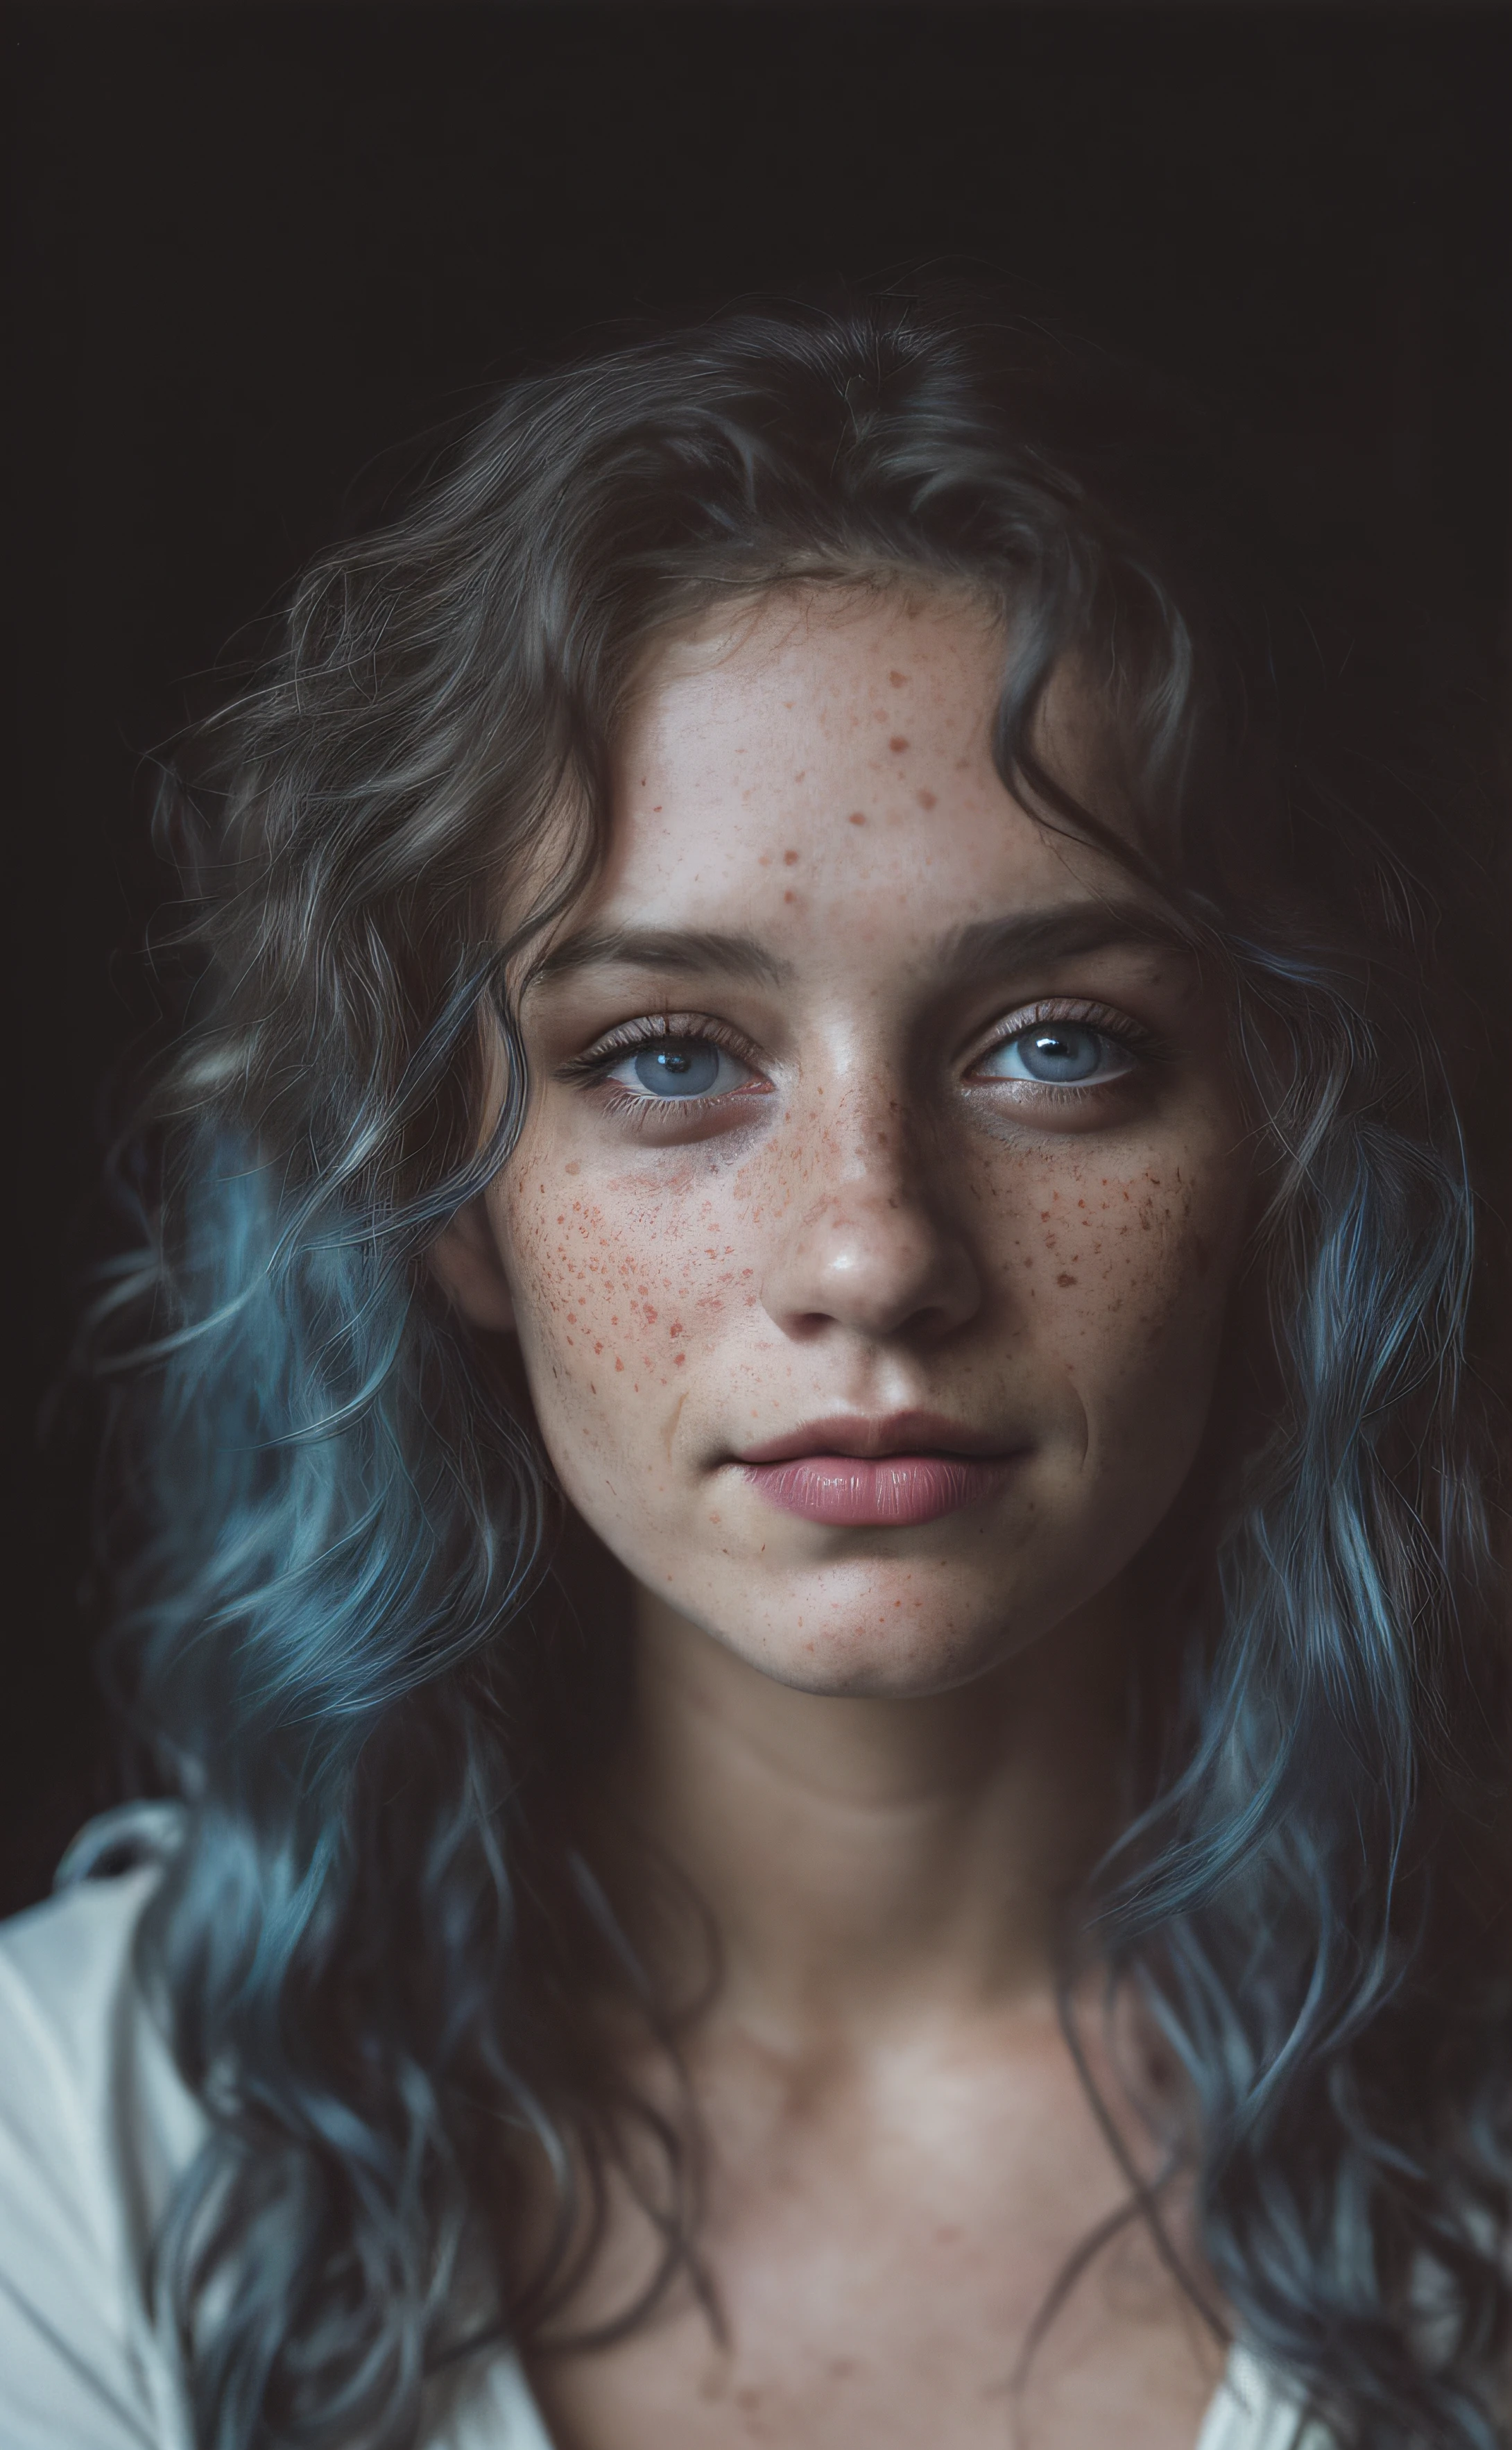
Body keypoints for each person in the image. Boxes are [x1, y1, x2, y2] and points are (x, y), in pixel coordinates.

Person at [1, 292, 1507, 2450]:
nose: (872, 1249)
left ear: (1277, 1153)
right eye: (669, 1057)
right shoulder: (81, 2149)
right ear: (449, 1195)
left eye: (1056, 1044)